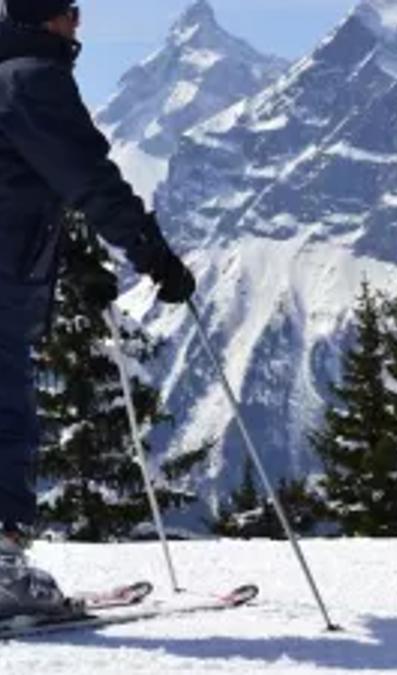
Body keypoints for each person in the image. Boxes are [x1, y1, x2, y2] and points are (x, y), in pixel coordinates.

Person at [0, 0, 195, 619]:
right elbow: (89, 179)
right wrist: (151, 253)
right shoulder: (32, 79)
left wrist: (78, 261)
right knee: (7, 414)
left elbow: (22, 181)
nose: (78, 23)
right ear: (51, 17)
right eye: (72, 10)